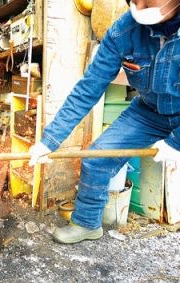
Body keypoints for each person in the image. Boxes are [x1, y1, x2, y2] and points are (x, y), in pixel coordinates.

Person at [29, 0, 180, 244]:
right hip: (148, 112)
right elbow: (89, 88)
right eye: (135, 1)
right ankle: (87, 223)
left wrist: (176, 142)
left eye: (148, 2)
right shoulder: (123, 31)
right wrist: (49, 140)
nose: (139, 9)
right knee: (96, 159)